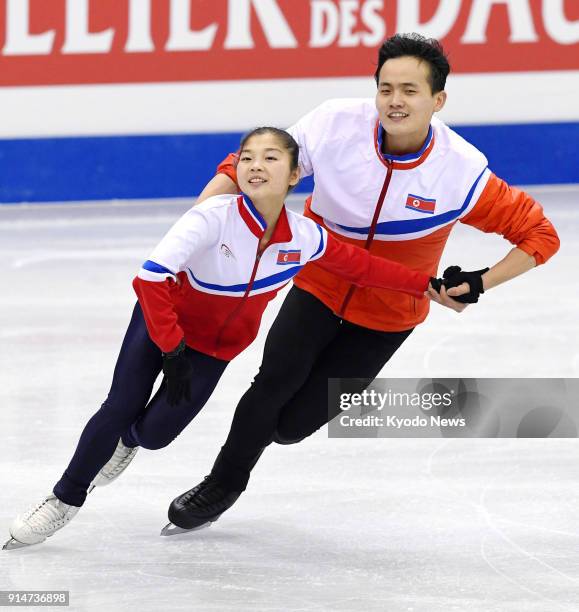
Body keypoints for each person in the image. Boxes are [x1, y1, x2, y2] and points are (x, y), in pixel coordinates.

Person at [165, 33, 560, 532]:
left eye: (411, 91)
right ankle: (223, 481)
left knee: (289, 427)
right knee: (271, 383)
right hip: (317, 284)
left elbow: (539, 235)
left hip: (389, 315)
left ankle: (261, 443)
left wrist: (482, 281)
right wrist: (193, 229)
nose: (396, 101)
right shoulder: (333, 124)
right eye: (386, 88)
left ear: (437, 100)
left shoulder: (459, 171)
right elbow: (241, 169)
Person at [3, 127, 446, 550]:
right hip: (161, 323)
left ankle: (129, 442)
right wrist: (171, 346)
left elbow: (364, 267)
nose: (256, 166)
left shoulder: (306, 237)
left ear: (294, 175)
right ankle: (64, 499)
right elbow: (150, 279)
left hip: (214, 349)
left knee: (155, 434)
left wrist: (428, 285)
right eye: (247, 158)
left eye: (270, 158)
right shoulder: (211, 217)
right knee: (119, 405)